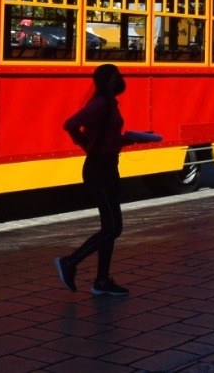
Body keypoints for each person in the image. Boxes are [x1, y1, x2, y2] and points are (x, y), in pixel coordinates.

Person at [55, 63, 137, 297]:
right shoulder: (100, 104)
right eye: (116, 76)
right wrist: (86, 145)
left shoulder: (109, 104)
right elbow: (70, 124)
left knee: (109, 227)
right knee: (113, 227)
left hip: (109, 166)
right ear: (108, 81)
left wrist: (127, 140)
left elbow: (106, 136)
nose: (120, 79)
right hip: (98, 169)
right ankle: (70, 262)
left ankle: (101, 280)